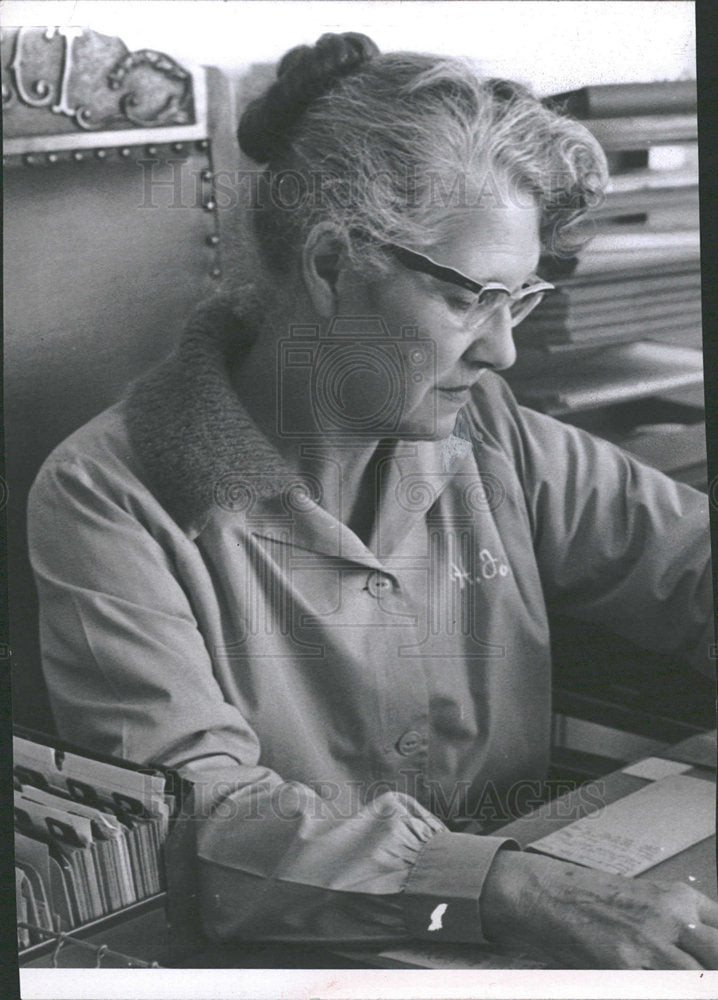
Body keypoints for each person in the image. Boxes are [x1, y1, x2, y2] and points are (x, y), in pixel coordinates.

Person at [27, 32, 717, 969]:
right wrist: (508, 886)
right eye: (473, 299)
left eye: (520, 302)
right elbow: (199, 822)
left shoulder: (488, 430)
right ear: (330, 266)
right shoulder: (106, 495)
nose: (504, 351)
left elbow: (689, 562)